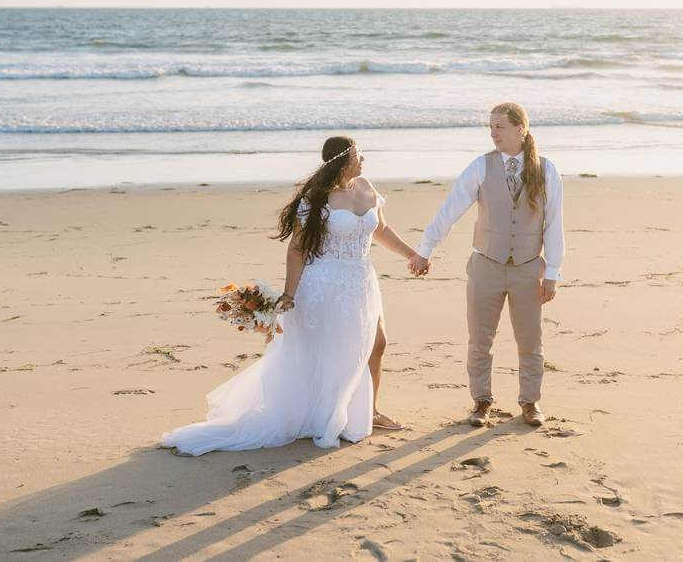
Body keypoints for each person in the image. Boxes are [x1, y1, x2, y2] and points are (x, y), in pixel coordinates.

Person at [162, 136, 418, 454]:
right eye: (357, 154)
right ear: (342, 161)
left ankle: (371, 411)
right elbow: (297, 248)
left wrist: (412, 254)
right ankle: (323, 414)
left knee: (377, 343)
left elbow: (381, 230)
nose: (363, 158)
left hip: (361, 280)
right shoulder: (316, 198)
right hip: (324, 284)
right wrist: (289, 293)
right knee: (331, 351)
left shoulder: (366, 186)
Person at [408, 103, 564, 428]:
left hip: (527, 268)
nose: (493, 134)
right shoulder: (481, 166)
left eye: (499, 127)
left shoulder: (547, 170)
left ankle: (530, 402)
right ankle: (481, 401)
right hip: (486, 266)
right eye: (490, 127)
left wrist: (552, 272)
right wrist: (425, 250)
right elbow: (450, 209)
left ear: (520, 129)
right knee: (480, 340)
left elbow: (553, 224)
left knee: (530, 341)